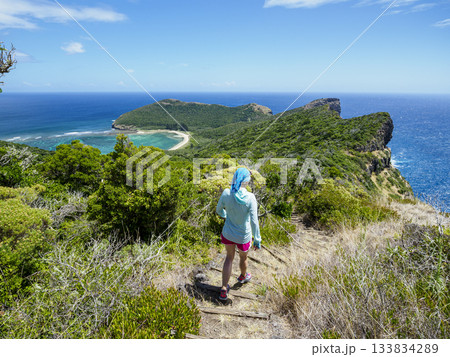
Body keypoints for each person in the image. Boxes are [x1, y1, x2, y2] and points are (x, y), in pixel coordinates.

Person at [215, 167, 261, 301]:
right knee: (243, 258)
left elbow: (219, 210)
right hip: (243, 236)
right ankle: (243, 276)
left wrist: (226, 215)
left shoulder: (226, 193)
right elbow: (254, 220)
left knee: (229, 258)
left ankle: (223, 288)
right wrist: (257, 239)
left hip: (228, 233)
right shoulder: (250, 197)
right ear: (246, 182)